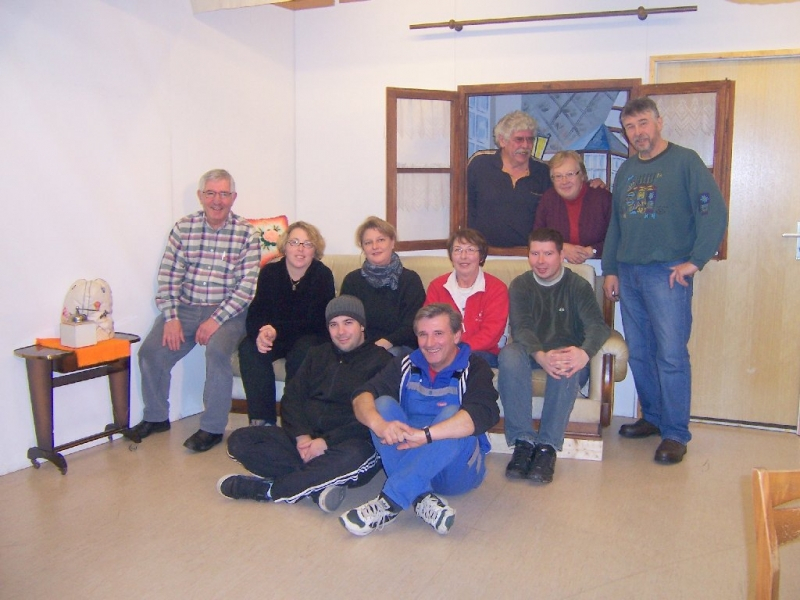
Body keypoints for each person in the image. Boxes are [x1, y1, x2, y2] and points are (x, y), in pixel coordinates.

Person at [602, 96, 728, 465]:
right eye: (630, 127)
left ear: (658, 122)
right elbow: (616, 224)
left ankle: (675, 433)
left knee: (671, 355)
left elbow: (713, 210)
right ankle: (653, 418)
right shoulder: (626, 171)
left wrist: (696, 261)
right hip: (629, 272)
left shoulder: (685, 161)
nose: (637, 132)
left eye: (643, 123)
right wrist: (610, 268)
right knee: (640, 352)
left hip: (667, 274)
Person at [216, 296, 392, 512]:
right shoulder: (317, 354)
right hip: (305, 441)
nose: (341, 332)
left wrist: (326, 442)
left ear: (362, 325)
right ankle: (317, 485)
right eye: (333, 325)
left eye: (348, 323)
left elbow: (375, 416)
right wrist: (302, 437)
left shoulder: (382, 362)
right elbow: (292, 398)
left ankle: (270, 490)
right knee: (240, 440)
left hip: (349, 443)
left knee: (355, 458)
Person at [340, 304, 500, 536]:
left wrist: (426, 435)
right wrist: (379, 424)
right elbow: (361, 396)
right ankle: (421, 497)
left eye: (438, 333)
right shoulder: (405, 363)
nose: (429, 342)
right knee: (381, 405)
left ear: (456, 335)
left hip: (455, 474)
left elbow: (483, 413)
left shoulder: (475, 367)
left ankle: (390, 501)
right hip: (409, 455)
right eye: (423, 334)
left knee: (454, 415)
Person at [132, 169, 261, 452]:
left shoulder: (247, 234)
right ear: (200, 196)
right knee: (151, 352)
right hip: (186, 307)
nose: (217, 200)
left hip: (230, 312)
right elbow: (168, 276)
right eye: (211, 193)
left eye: (224, 194)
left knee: (217, 352)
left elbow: (246, 288)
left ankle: (212, 428)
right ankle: (156, 416)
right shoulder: (183, 228)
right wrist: (171, 317)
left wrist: (215, 320)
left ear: (234, 198)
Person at [499, 228, 611, 484]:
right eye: (535, 253)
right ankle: (523, 442)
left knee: (566, 360)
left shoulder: (577, 286)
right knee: (510, 353)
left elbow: (598, 327)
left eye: (548, 254)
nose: (540, 261)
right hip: (532, 352)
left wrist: (584, 353)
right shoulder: (521, 285)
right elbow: (521, 329)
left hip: (567, 354)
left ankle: (547, 448)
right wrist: (541, 356)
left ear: (561, 255)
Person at [238, 221, 335, 427]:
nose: (300, 249)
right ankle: (262, 421)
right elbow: (256, 312)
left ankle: (294, 421)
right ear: (285, 246)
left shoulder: (322, 275)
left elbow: (316, 321)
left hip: (309, 337)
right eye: (294, 242)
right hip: (276, 337)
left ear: (315, 250)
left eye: (307, 244)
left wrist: (276, 330)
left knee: (304, 351)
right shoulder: (270, 273)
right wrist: (261, 332)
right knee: (249, 348)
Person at [340, 216, 425, 356]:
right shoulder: (352, 281)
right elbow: (346, 321)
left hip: (398, 345)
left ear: (392, 242)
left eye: (381, 240)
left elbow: (414, 324)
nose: (375, 246)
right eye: (368, 242)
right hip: (361, 346)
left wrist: (387, 342)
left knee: (385, 356)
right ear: (363, 247)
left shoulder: (410, 280)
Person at [424, 228, 509, 367]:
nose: (463, 256)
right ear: (451, 256)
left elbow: (491, 334)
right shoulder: (437, 286)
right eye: (457, 250)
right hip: (441, 351)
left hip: (483, 354)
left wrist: (457, 351)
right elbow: (428, 325)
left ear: (481, 256)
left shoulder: (496, 288)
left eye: (470, 250)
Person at [467, 110, 550, 248]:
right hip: (485, 252)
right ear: (502, 140)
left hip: (528, 253)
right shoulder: (480, 164)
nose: (526, 146)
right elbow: (465, 207)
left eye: (530, 139)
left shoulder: (543, 171)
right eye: (519, 139)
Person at [534, 150, 612, 263]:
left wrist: (593, 250)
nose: (564, 181)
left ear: (582, 175)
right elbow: (537, 236)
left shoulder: (603, 198)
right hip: (557, 265)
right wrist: (561, 247)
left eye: (570, 174)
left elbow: (616, 237)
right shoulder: (548, 199)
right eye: (558, 176)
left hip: (599, 265)